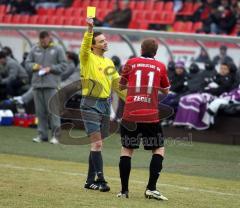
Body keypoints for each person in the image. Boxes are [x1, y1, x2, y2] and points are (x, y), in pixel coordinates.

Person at [117, 38, 170, 200]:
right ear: (156, 51)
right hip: (150, 115)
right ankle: (151, 188)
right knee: (158, 149)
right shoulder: (160, 66)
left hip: (130, 114)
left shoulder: (131, 62)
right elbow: (166, 91)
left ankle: (124, 191)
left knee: (127, 150)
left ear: (141, 49)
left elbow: (121, 86)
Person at [79, 18, 126, 192]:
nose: (106, 43)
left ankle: (89, 181)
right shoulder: (87, 58)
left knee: (97, 145)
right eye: (101, 41)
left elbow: (117, 85)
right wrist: (89, 29)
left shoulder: (109, 62)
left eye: (106, 40)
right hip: (90, 103)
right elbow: (84, 46)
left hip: (105, 105)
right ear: (93, 45)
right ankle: (101, 179)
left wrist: (132, 100)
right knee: (97, 144)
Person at [25, 31, 67, 144]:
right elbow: (27, 63)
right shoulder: (35, 49)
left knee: (53, 112)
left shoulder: (58, 49)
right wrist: (35, 66)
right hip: (37, 85)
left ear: (49, 38)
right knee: (40, 112)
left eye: (45, 39)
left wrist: (51, 68)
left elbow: (64, 65)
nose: (43, 42)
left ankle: (56, 136)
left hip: (51, 85)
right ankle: (42, 135)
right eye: (41, 40)